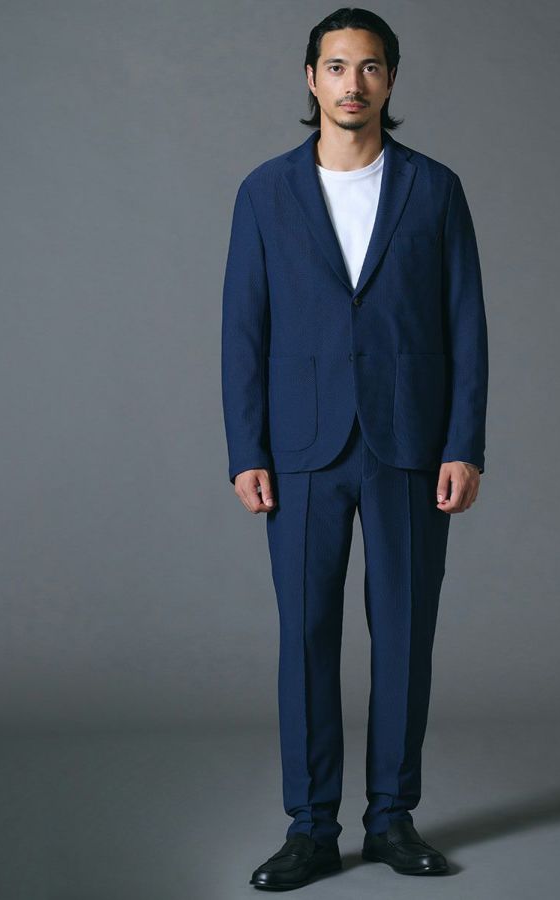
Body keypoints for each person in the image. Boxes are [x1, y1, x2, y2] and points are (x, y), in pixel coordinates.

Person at [221, 7, 488, 891]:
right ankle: (309, 829)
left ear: (391, 79)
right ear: (311, 79)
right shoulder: (265, 192)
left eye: (369, 67)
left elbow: (466, 324)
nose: (352, 83)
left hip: (409, 442)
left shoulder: (435, 189)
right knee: (306, 637)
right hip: (300, 447)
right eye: (336, 66)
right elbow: (243, 329)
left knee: (405, 635)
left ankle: (392, 821)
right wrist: (246, 449)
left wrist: (464, 443)